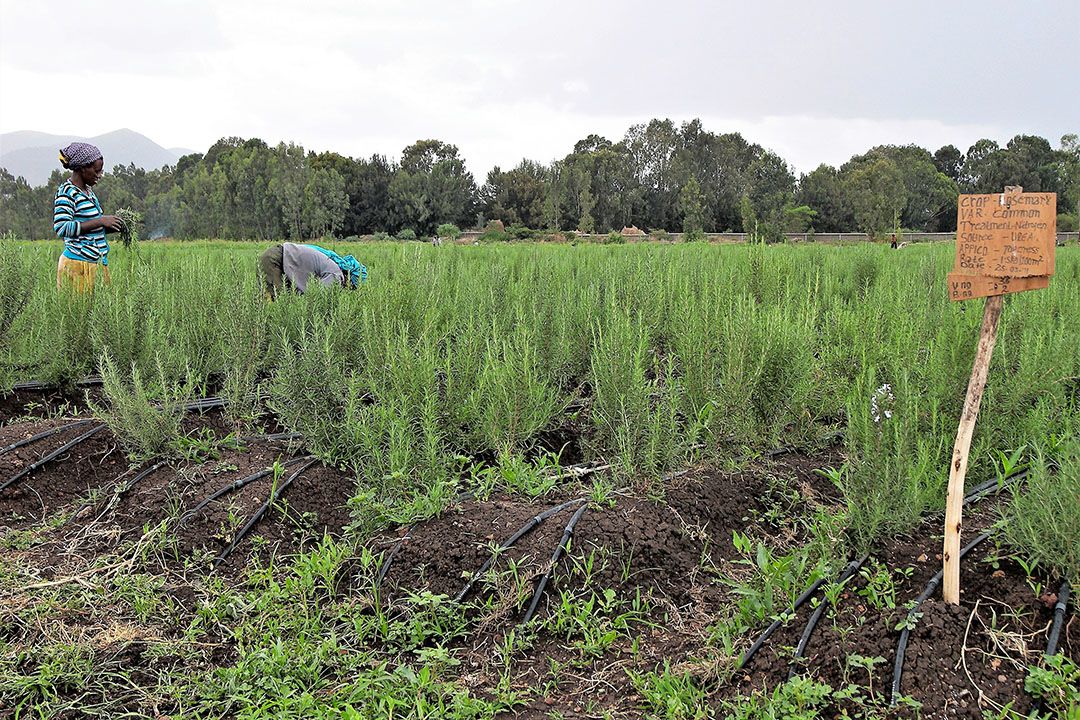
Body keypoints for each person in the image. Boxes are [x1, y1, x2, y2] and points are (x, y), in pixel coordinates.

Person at [53, 142, 123, 291]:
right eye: (96, 171)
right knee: (78, 313)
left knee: (92, 312)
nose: (99, 176)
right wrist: (100, 221)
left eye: (101, 171)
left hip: (92, 264)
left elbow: (90, 228)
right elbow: (62, 228)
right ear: (82, 168)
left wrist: (115, 226)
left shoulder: (88, 192)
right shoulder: (67, 192)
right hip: (75, 266)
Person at [258, 242, 367, 297]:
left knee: (286, 299)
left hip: (278, 259)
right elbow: (315, 297)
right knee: (277, 303)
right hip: (274, 260)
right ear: (350, 281)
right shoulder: (336, 275)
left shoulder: (333, 267)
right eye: (352, 288)